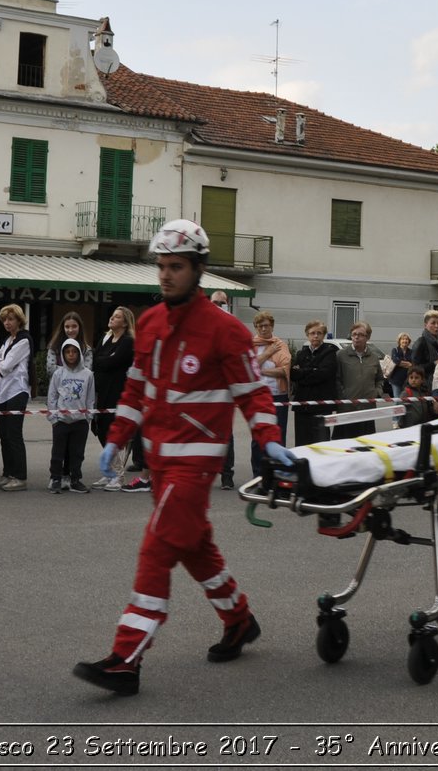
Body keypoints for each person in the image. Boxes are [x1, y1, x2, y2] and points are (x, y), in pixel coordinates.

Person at [74, 220, 286, 697]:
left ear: (199, 269)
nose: (166, 276)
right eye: (161, 267)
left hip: (197, 462)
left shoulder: (226, 331)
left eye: (176, 267)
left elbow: (254, 393)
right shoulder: (148, 323)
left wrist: (269, 439)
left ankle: (125, 658)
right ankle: (238, 618)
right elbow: (135, 387)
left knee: (158, 547)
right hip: (160, 459)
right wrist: (117, 436)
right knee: (193, 544)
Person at [90, 306, 136, 489]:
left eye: (117, 317)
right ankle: (109, 471)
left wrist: (104, 359)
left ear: (125, 322)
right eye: (113, 316)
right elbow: (96, 359)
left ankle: (118, 474)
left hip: (117, 390)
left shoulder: (128, 341)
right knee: (100, 428)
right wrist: (104, 359)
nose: (112, 319)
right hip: (101, 389)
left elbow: (112, 362)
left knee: (112, 429)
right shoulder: (106, 337)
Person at [0, 304, 32, 492]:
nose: (7, 322)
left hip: (17, 391)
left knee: (14, 434)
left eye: (11, 319)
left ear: (19, 320)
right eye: (5, 319)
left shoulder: (23, 340)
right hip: (2, 392)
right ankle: (7, 473)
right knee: (4, 436)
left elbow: (5, 366)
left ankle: (20, 476)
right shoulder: (7, 340)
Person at [246, 311, 290, 476]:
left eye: (267, 325)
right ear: (256, 327)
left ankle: (277, 474)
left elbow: (284, 371)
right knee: (258, 439)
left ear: (272, 326)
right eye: (260, 325)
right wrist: (268, 353)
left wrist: (261, 371)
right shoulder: (250, 345)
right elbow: (248, 367)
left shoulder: (280, 345)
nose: (264, 329)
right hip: (257, 395)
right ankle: (258, 474)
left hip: (279, 395)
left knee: (278, 436)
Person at [47, 338, 94, 493]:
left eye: (74, 351)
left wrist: (88, 417)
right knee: (58, 452)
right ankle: (55, 478)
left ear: (79, 353)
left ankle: (75, 479)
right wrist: (53, 418)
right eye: (67, 352)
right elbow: (52, 397)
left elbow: (90, 398)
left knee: (77, 453)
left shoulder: (88, 375)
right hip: (61, 420)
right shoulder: (58, 374)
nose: (71, 355)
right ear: (63, 354)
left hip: (80, 422)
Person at [291, 320, 339, 445]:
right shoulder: (301, 354)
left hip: (321, 406)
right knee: (302, 442)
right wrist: (313, 370)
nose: (316, 336)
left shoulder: (330, 353)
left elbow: (323, 375)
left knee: (321, 442)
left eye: (319, 333)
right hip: (302, 406)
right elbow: (293, 375)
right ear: (307, 335)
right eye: (312, 333)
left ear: (323, 335)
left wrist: (303, 372)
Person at [334, 321, 385, 438]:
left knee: (366, 445)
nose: (356, 337)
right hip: (347, 409)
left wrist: (377, 393)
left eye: (361, 334)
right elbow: (336, 379)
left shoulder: (373, 357)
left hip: (367, 409)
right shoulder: (341, 355)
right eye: (354, 334)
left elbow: (380, 379)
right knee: (345, 446)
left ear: (367, 337)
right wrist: (343, 396)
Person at [45, 311, 92, 376]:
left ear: (79, 327)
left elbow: (87, 373)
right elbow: (50, 370)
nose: (70, 330)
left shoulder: (86, 349)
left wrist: (62, 370)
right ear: (63, 328)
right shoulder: (54, 346)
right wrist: (76, 371)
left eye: (74, 326)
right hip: (58, 385)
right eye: (67, 327)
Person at [410, 310, 438, 386]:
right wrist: (434, 364)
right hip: (425, 386)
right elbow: (415, 368)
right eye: (433, 323)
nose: (436, 326)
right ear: (425, 325)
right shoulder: (420, 342)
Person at [387, 332, 413, 396]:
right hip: (396, 380)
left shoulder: (411, 351)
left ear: (409, 341)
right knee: (397, 400)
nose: (405, 341)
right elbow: (396, 361)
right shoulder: (395, 350)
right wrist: (408, 364)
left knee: (406, 400)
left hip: (407, 380)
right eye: (403, 339)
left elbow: (413, 363)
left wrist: (401, 363)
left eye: (406, 339)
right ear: (399, 341)